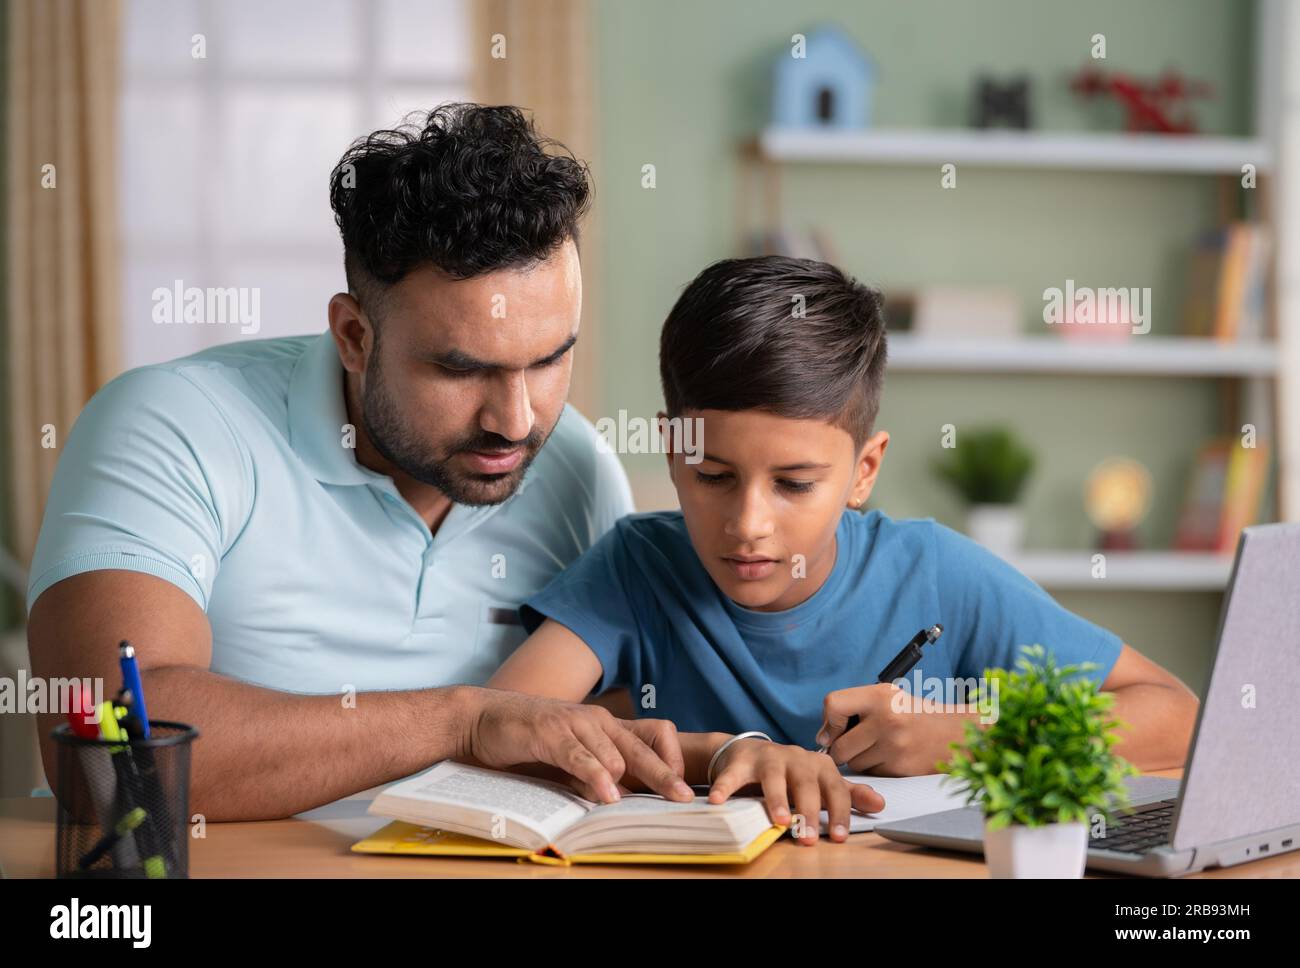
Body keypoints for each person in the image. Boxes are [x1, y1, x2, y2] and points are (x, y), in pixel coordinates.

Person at [26, 104, 695, 820]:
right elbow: (107, 750)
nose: (516, 420)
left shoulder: (577, 468)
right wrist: (462, 722)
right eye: (460, 370)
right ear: (353, 335)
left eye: (549, 359)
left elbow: (606, 725)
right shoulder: (170, 424)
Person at [489, 255, 1201, 845]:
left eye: (795, 484)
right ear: (672, 449)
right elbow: (495, 726)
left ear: (864, 471)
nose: (749, 524)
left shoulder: (937, 573)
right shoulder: (636, 566)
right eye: (713, 477)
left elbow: (1175, 715)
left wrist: (974, 734)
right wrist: (725, 751)